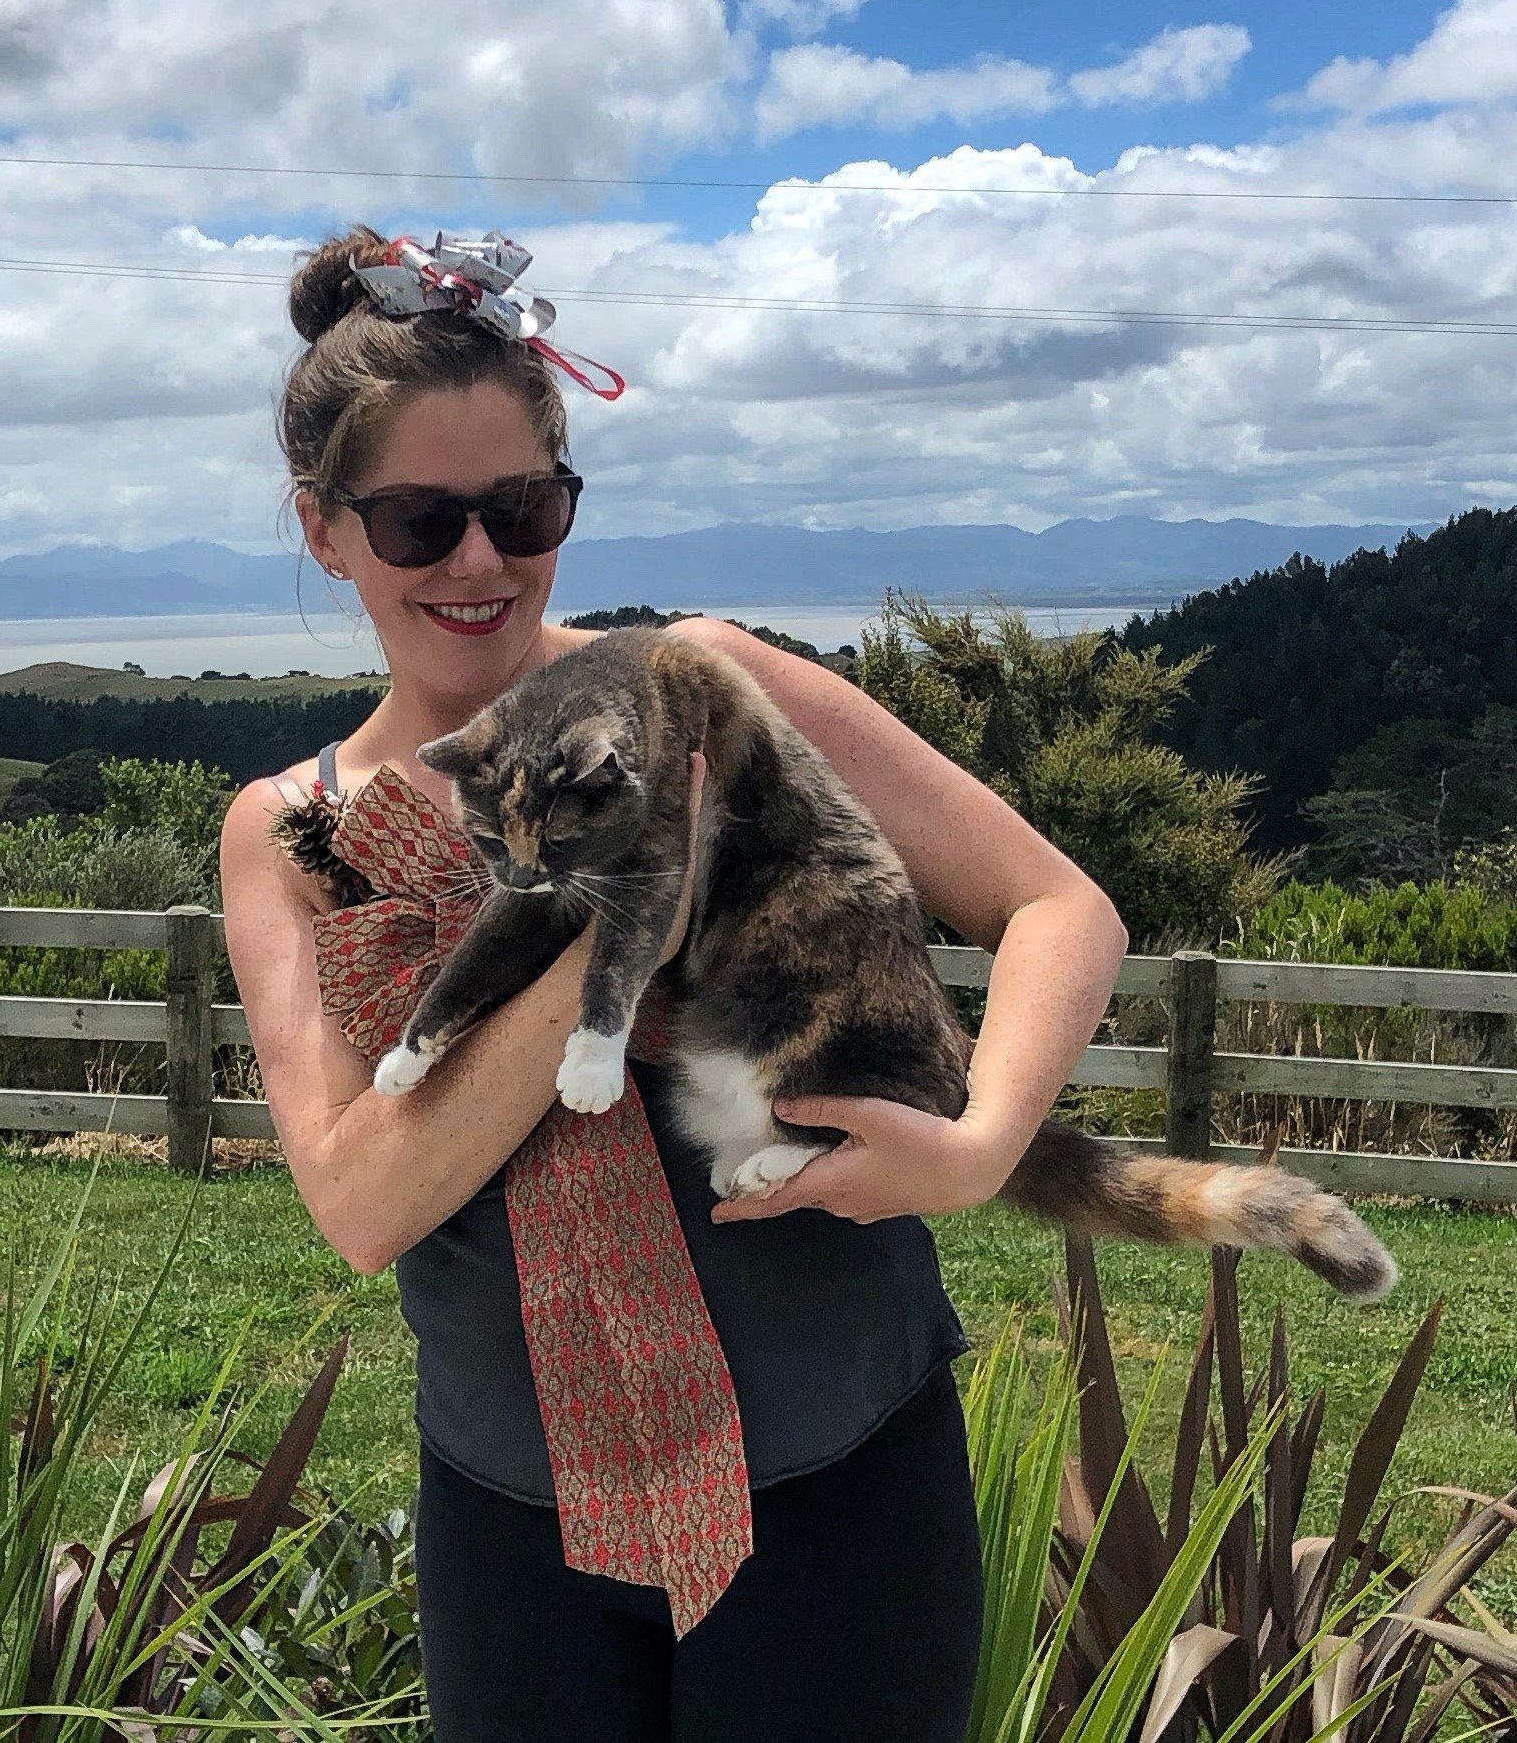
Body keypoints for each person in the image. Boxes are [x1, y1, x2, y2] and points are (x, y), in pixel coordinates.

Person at [217, 228, 1131, 1743]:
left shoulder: (704, 684)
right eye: (417, 521)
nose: (479, 562)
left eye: (523, 507)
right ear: (323, 532)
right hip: (513, 1533)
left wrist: (972, 1155)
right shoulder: (296, 831)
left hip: (840, 1491)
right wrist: (621, 901)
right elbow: (361, 1204)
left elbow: (1057, 905)